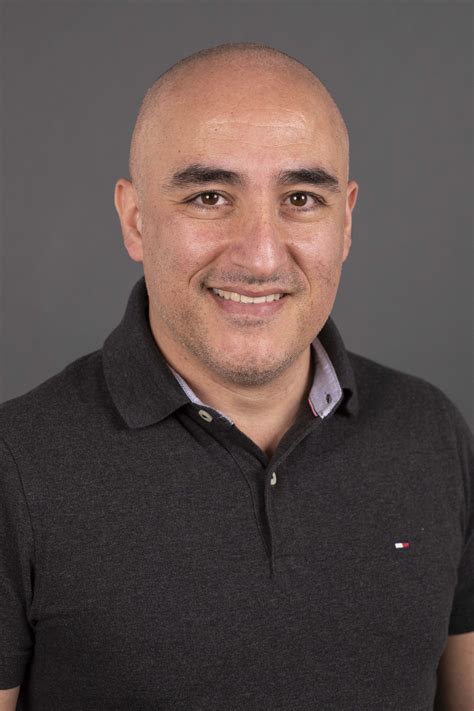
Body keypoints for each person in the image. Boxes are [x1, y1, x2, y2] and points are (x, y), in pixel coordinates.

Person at [0, 43, 472, 711]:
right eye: (210, 196)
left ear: (345, 221)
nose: (260, 256)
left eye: (301, 198)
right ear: (135, 220)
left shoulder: (432, 434)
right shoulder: (16, 465)